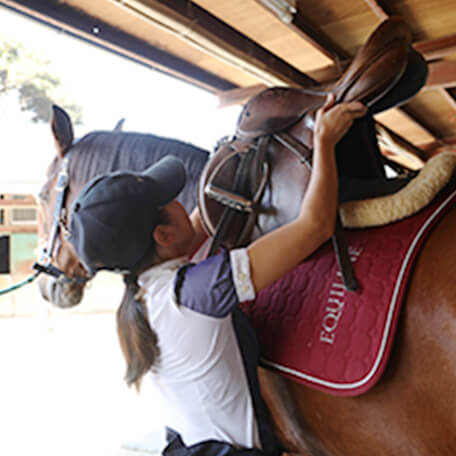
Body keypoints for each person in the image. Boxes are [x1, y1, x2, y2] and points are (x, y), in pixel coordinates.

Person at [68, 94, 367, 456]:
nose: (184, 200)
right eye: (172, 199)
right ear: (163, 236)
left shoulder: (142, 298)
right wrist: (323, 142)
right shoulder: (201, 289)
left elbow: (195, 224)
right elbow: (316, 226)